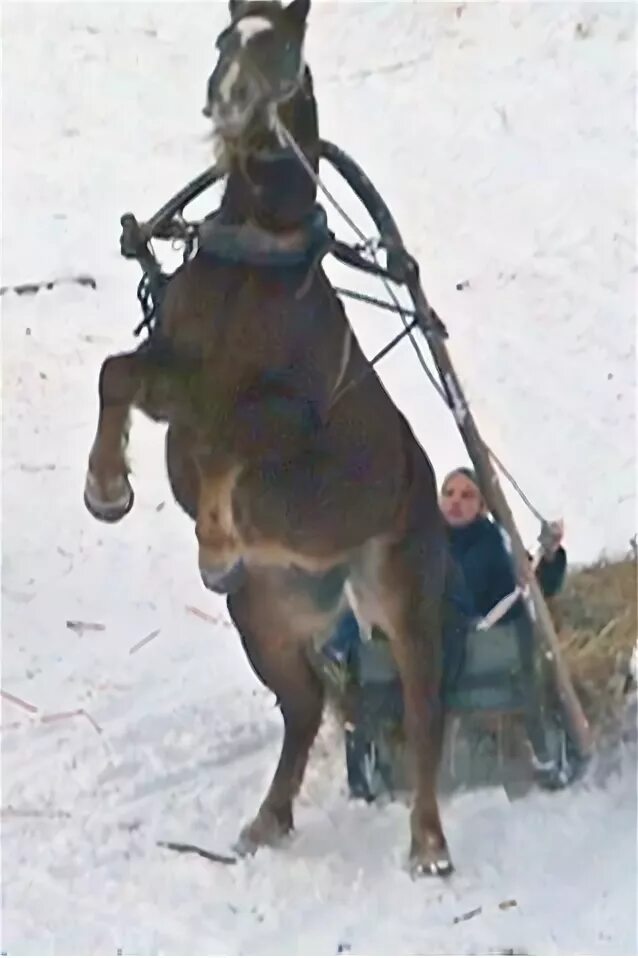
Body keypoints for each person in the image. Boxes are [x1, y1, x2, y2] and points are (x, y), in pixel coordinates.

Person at [319, 466, 567, 799]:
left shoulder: (493, 542)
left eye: (467, 496)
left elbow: (536, 584)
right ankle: (339, 652)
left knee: (437, 598)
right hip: (412, 629)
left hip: (465, 630)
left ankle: (421, 703)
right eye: (449, 493)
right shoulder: (421, 539)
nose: (455, 502)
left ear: (481, 507)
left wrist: (550, 557)